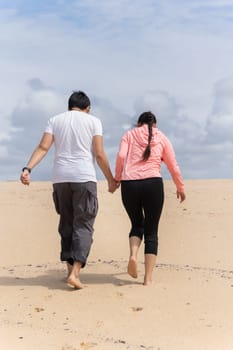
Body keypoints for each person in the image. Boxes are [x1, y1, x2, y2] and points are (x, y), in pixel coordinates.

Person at [20, 90, 118, 289]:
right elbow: (99, 154)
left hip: (60, 178)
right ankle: (75, 273)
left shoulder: (55, 120)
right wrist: (110, 179)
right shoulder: (94, 121)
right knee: (83, 224)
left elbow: (43, 147)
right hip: (84, 177)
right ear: (87, 108)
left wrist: (27, 168)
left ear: (69, 106)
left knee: (67, 222)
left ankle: (68, 270)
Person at [114, 111, 186, 286]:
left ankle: (133, 255)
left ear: (139, 123)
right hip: (153, 184)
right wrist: (180, 187)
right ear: (155, 124)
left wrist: (117, 178)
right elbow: (172, 165)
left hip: (129, 184)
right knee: (152, 231)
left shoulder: (129, 135)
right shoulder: (161, 137)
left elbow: (121, 156)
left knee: (137, 224)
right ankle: (147, 278)